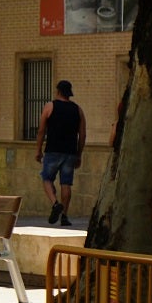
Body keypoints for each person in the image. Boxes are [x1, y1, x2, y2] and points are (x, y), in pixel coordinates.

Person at [36, 80, 86, 226]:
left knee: (46, 178)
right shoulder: (78, 110)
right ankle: (64, 216)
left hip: (53, 150)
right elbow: (82, 135)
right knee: (66, 183)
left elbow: (41, 131)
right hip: (70, 152)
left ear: (58, 91)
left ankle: (55, 203)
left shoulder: (49, 106)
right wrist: (79, 154)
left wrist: (38, 150)